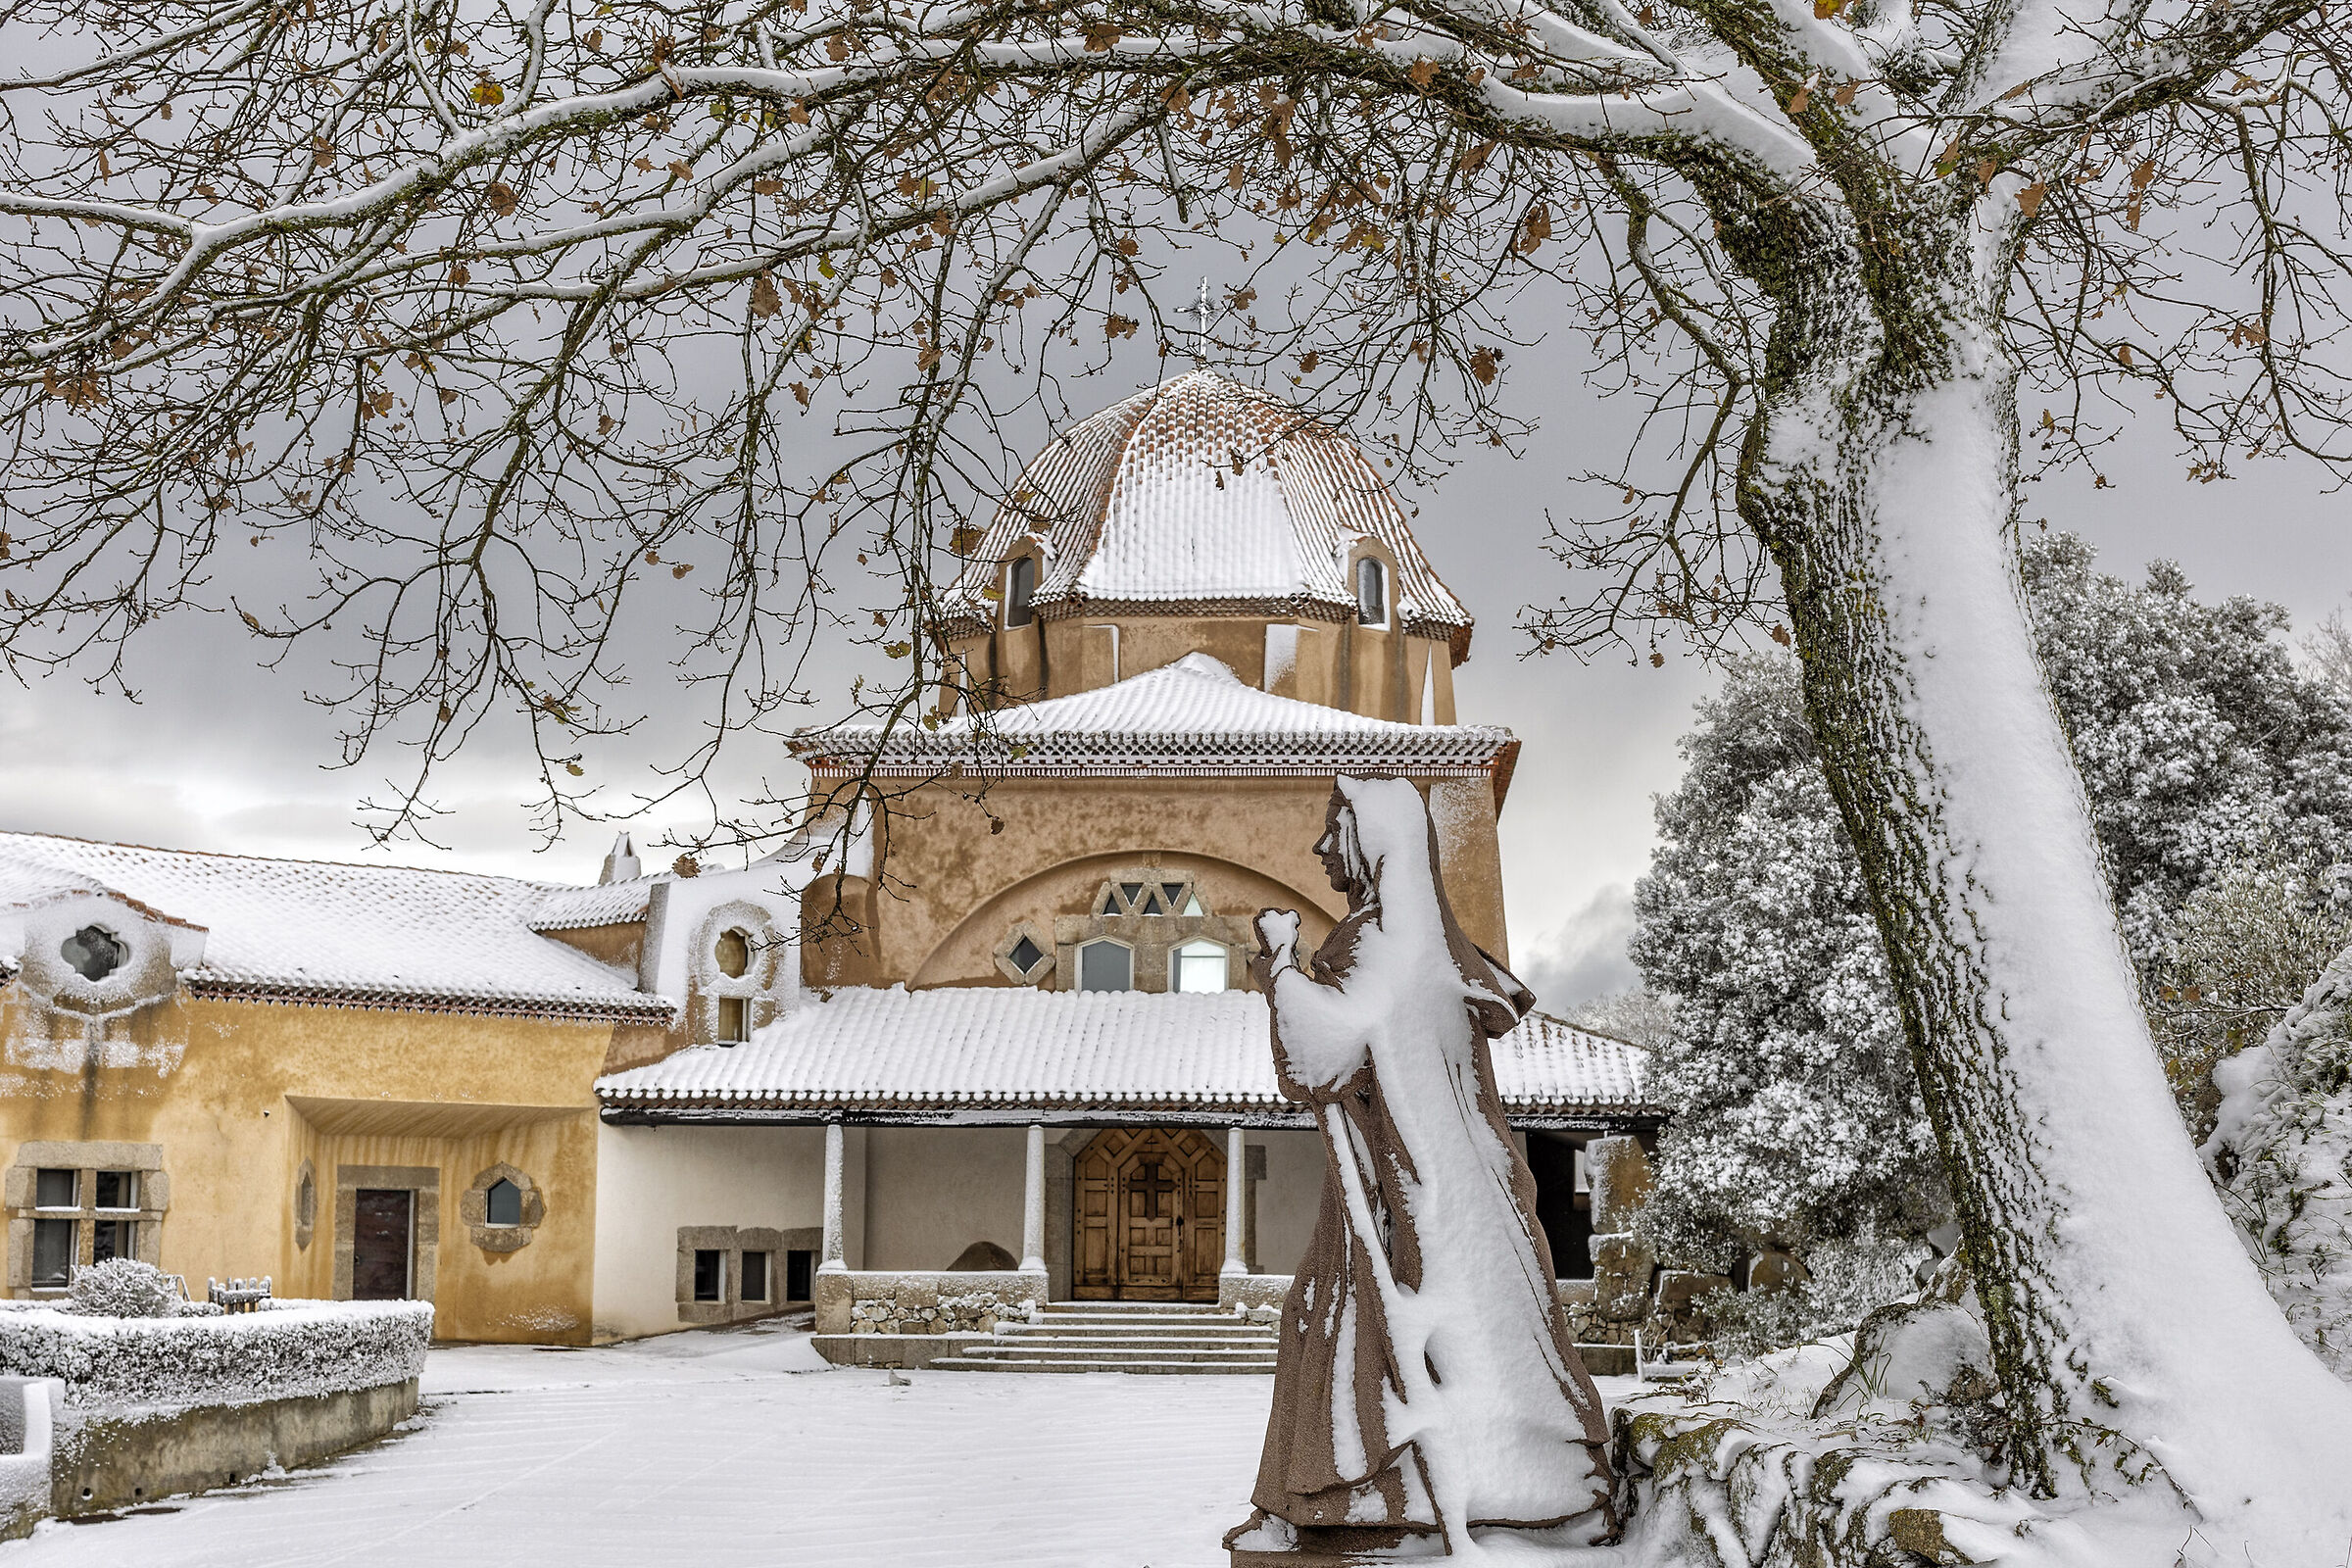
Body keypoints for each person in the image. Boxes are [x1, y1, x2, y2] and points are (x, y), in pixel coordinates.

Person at [1226, 775, 1617, 1561]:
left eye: (1333, 828)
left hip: (1410, 1201)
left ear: (1370, 839)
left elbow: (1327, 1059)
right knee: (1351, 1318)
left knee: (1362, 1327)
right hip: (1427, 1184)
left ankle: (1374, 1501)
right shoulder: (1417, 941)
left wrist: (1283, 968)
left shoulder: (1380, 938)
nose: (1319, 847)